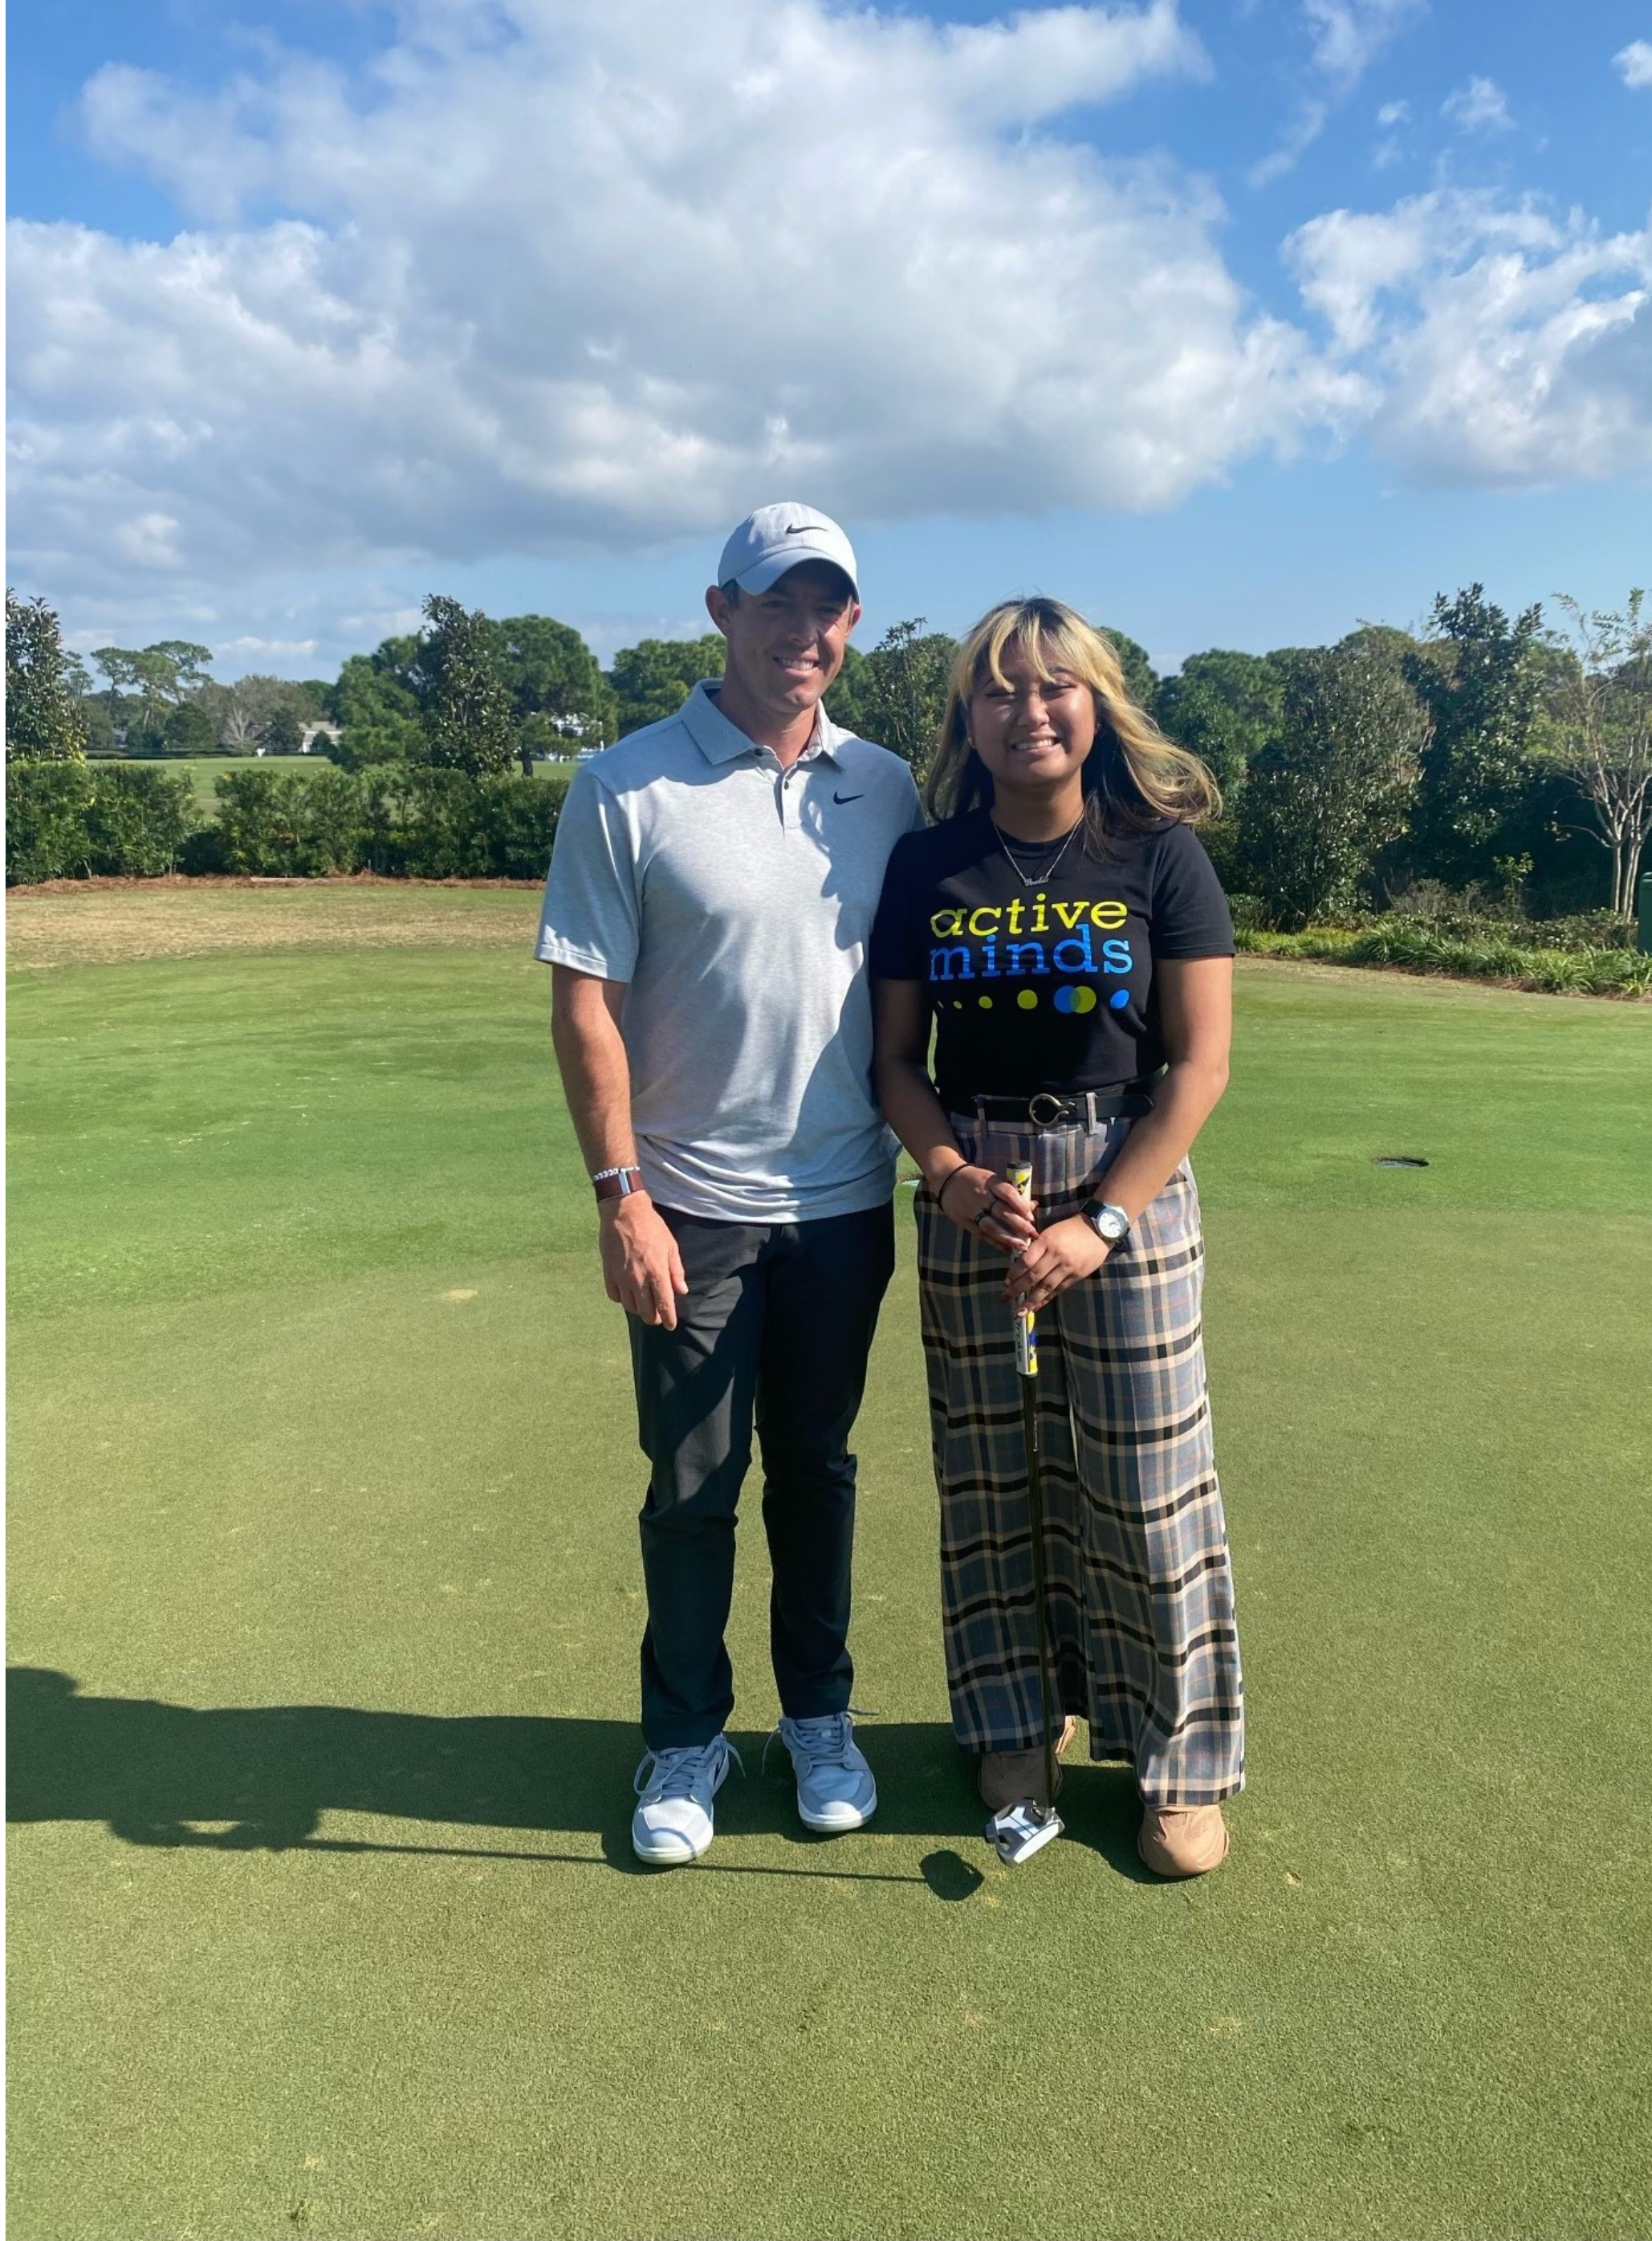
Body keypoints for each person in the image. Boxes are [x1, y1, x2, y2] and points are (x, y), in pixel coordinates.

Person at [537, 502, 924, 1865]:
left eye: (828, 606)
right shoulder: (626, 783)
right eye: (778, 602)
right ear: (721, 609)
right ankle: (686, 1738)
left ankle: (817, 1718)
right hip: (689, 1204)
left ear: (852, 625)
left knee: (816, 1470)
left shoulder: (887, 787)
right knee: (693, 1487)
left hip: (843, 1201)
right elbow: (585, 1001)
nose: (803, 631)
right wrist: (618, 1192)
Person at [869, 596, 1244, 1880]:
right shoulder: (928, 864)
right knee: (990, 1476)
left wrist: (1103, 1219)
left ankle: (1177, 1761)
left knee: (1147, 1486)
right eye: (996, 693)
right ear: (966, 720)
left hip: (1124, 1183)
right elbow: (893, 1065)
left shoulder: (1158, 852)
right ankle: (1014, 1724)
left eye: (1052, 688)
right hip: (977, 1186)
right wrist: (953, 1175)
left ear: (1097, 704)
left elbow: (1197, 1069)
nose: (1026, 712)